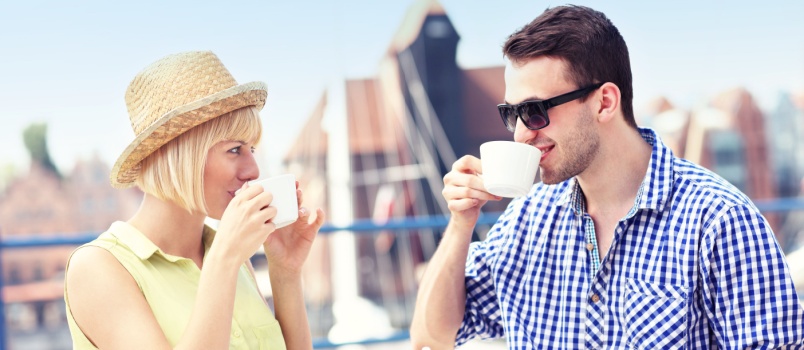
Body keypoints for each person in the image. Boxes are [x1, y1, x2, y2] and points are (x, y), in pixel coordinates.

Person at [410, 5, 804, 349]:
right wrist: (462, 222)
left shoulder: (719, 220)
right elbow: (434, 337)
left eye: (534, 111)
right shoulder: (528, 219)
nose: (520, 133)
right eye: (510, 113)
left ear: (605, 102)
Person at [64, 51, 325, 349]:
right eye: (235, 150)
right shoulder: (98, 268)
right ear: (182, 156)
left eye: (251, 150)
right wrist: (223, 262)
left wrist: (286, 272)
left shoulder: (230, 256)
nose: (253, 170)